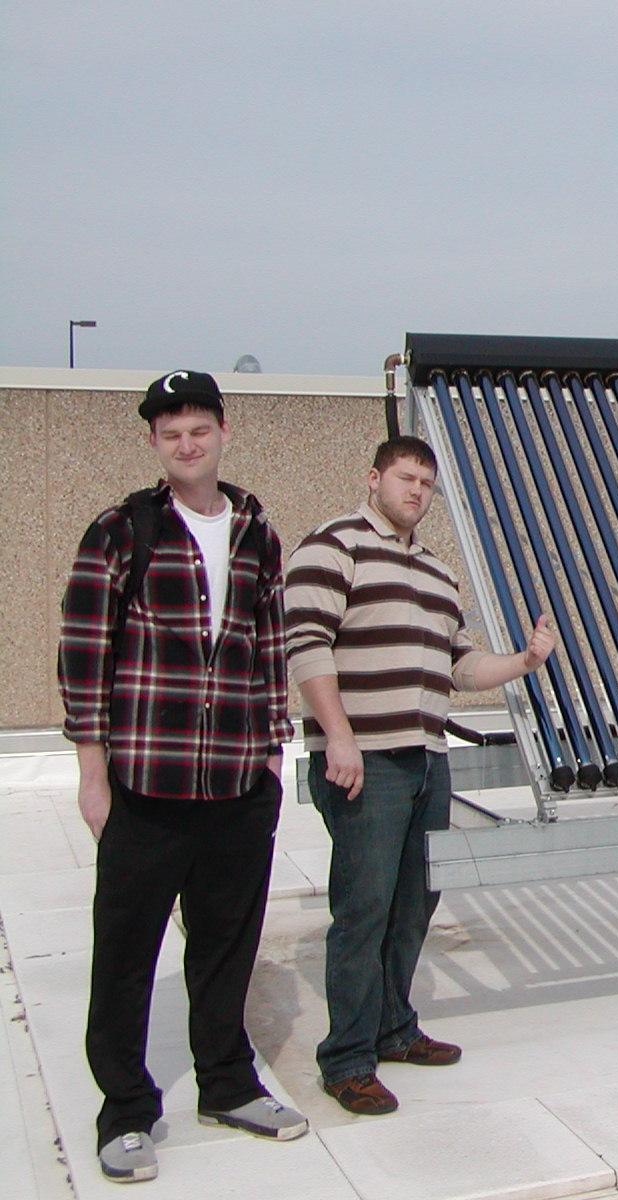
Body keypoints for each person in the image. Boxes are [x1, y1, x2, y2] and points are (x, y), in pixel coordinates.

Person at [58, 370, 307, 1184]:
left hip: (238, 785)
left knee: (228, 944)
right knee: (126, 951)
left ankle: (227, 1084)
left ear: (222, 432)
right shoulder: (121, 531)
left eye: (198, 429)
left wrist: (273, 750)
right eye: (171, 434)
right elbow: (85, 655)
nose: (187, 444)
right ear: (154, 444)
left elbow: (272, 645)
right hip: (148, 785)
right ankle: (125, 1111)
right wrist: (92, 774)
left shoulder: (257, 531)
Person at [284, 435, 557, 1116]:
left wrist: (524, 659)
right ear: (373, 477)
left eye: (426, 484)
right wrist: (338, 738)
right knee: (364, 908)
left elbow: (460, 666)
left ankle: (394, 1028)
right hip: (364, 760)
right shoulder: (332, 545)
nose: (416, 492)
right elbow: (306, 644)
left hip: (425, 759)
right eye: (405, 478)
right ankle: (346, 1059)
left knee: (415, 903)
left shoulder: (438, 573)